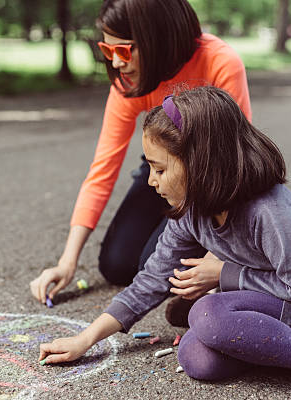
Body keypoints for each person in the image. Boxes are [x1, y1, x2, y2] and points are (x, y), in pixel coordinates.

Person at [37, 87, 291, 400]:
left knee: (206, 315)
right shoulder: (191, 210)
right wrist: (86, 339)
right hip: (288, 309)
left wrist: (224, 274)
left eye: (159, 168)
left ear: (201, 165)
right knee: (196, 357)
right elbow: (151, 280)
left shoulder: (269, 211)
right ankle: (282, 346)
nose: (150, 180)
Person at [29, 0, 251, 309]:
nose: (116, 63)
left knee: (157, 264)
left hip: (211, 176)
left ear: (158, 38)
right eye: (108, 51)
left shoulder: (220, 62)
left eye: (123, 51)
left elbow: (236, 164)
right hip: (162, 167)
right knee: (117, 265)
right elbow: (102, 169)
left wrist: (218, 260)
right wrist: (67, 261)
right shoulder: (130, 83)